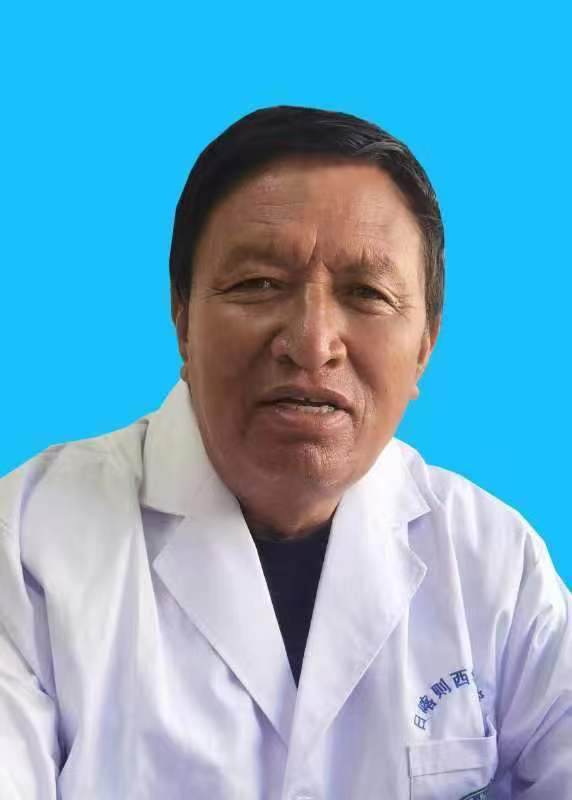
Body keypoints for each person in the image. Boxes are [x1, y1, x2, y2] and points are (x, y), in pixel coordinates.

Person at [0, 105, 570, 800]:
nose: (311, 343)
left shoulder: (495, 565)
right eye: (258, 284)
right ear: (182, 318)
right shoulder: (27, 546)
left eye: (366, 293)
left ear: (425, 344)